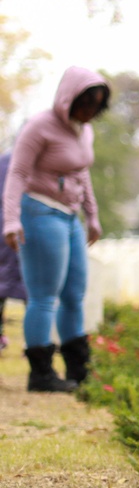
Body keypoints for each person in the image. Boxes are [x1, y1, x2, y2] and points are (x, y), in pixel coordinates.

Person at [2, 66, 110, 392]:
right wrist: (10, 220)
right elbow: (17, 174)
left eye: (96, 106)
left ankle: (78, 369)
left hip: (69, 216)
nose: (90, 112)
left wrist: (92, 215)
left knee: (75, 294)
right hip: (39, 212)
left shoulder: (84, 130)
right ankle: (41, 373)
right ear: (69, 99)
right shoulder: (39, 127)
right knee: (44, 296)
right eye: (85, 104)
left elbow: (82, 172)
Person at [0, 151, 28, 352]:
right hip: (20, 227)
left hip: (7, 227)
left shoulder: (4, 161)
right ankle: (33, 339)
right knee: (33, 288)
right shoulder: (29, 161)